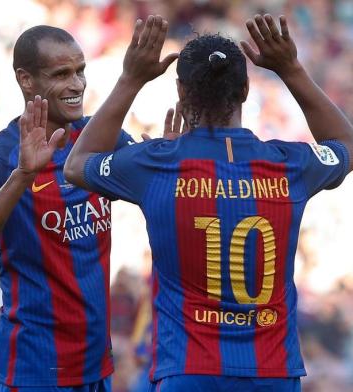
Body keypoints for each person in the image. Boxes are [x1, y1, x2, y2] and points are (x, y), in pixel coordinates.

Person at [64, 13, 353, 392]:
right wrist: (291, 69)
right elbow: (346, 145)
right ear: (247, 89)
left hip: (188, 373)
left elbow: (75, 165)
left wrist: (130, 78)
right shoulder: (290, 164)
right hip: (273, 374)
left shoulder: (155, 163)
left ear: (181, 93)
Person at [0, 25, 134, 392]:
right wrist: (23, 176)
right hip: (29, 373)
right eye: (61, 74)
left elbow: (158, 192)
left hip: (97, 370)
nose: (77, 85)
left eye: (80, 70)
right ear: (26, 79)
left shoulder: (103, 139)